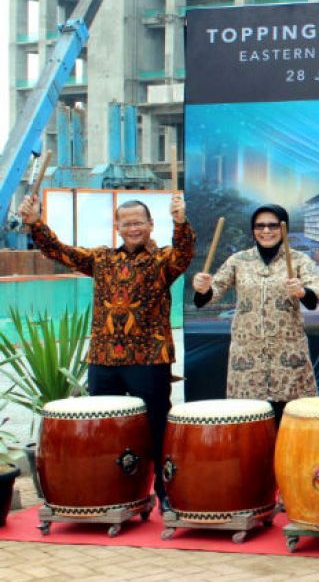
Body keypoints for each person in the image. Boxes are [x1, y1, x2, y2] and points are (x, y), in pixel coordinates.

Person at [19, 192, 194, 512]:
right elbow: (60, 251)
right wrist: (35, 224)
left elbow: (185, 252)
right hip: (104, 359)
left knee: (155, 426)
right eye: (126, 223)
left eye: (139, 222)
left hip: (149, 358)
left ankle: (165, 493)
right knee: (105, 428)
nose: (133, 228)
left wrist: (180, 222)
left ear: (151, 225)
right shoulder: (101, 259)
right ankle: (111, 490)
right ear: (117, 226)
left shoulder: (163, 261)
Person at [192, 204, 319, 426]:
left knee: (290, 418)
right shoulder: (238, 261)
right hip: (248, 355)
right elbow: (209, 296)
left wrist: (300, 291)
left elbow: (313, 298)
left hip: (288, 353)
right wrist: (202, 289)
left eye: (273, 225)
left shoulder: (299, 260)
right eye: (260, 226)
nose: (266, 231)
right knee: (250, 420)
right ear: (253, 230)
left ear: (284, 229)